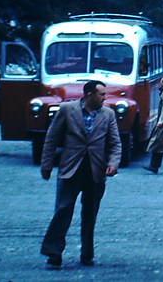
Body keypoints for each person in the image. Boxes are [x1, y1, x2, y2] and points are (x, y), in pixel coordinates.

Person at [39, 80, 121, 268]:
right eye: (101, 94)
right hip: (71, 168)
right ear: (89, 94)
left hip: (96, 170)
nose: (105, 98)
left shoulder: (108, 114)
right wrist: (47, 165)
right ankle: (54, 252)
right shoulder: (67, 110)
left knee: (90, 213)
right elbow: (52, 138)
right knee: (63, 209)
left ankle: (87, 254)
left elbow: (115, 143)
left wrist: (113, 163)